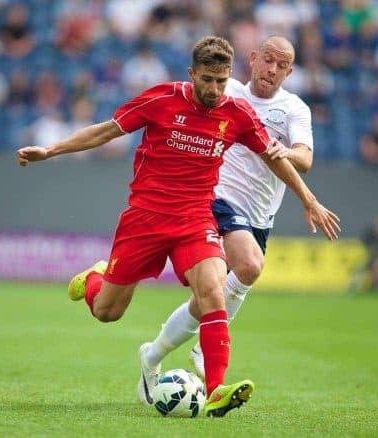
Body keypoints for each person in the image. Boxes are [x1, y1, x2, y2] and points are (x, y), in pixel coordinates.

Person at [16, 36, 340, 417]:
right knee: (108, 312)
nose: (215, 90)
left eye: (221, 81)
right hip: (145, 220)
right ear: (192, 75)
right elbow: (107, 130)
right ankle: (93, 279)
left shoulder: (236, 114)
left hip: (196, 219)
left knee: (213, 289)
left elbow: (274, 158)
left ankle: (217, 388)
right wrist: (51, 150)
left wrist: (308, 199)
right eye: (207, 80)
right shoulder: (162, 99)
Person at [136, 36, 329, 398]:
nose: (271, 69)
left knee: (208, 299)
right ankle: (205, 354)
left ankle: (154, 353)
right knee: (251, 266)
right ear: (253, 59)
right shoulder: (227, 91)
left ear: (289, 71)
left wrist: (285, 151)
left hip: (259, 216)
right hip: (217, 199)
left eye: (281, 64)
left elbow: (304, 158)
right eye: (267, 60)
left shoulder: (294, 110)